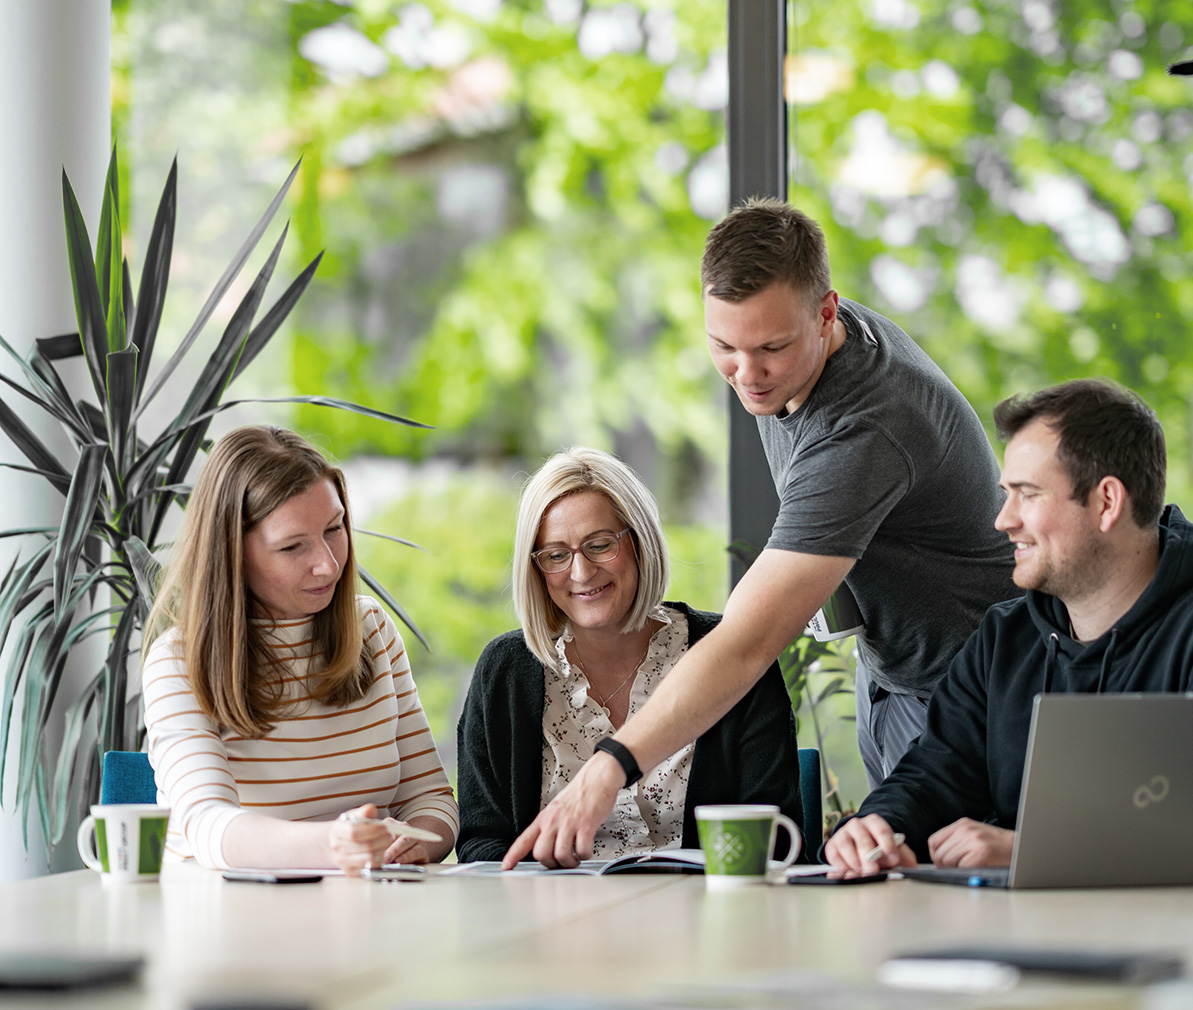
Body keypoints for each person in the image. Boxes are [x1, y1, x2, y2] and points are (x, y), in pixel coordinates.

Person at [503, 198, 1016, 869]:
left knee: (951, 909)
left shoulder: (864, 429)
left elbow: (746, 644)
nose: (747, 374)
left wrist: (609, 766)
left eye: (771, 348)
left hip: (971, 695)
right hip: (893, 676)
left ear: (826, 312)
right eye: (724, 347)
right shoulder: (788, 346)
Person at [824, 378, 1193, 873]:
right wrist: (874, 825)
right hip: (1014, 934)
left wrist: (1032, 850)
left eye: (1027, 495)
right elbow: (935, 772)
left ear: (1107, 502)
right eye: (1006, 494)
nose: (1003, 520)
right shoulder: (1005, 636)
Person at [456, 447, 800, 863]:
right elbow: (480, 844)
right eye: (557, 555)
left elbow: (779, 838)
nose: (581, 573)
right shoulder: (505, 671)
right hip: (557, 919)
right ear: (536, 569)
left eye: (600, 545)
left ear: (639, 542)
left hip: (704, 918)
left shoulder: (726, 653)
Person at [142, 426, 458, 874]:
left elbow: (430, 799)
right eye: (293, 546)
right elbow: (206, 826)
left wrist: (415, 843)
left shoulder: (372, 630)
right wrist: (334, 846)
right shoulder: (177, 661)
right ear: (231, 553)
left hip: (367, 915)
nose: (327, 563)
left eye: (334, 529)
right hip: (229, 923)